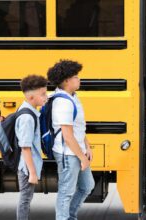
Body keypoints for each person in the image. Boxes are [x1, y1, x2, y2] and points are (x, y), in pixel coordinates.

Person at [47, 60, 95, 220]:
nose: (79, 79)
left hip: (78, 150)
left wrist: (87, 147)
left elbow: (79, 127)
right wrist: (82, 158)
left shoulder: (73, 97)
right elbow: (67, 135)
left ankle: (70, 216)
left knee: (87, 186)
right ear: (66, 80)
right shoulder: (63, 103)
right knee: (66, 192)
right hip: (68, 153)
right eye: (76, 76)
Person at [16, 74, 48, 220]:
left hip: (27, 165)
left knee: (26, 199)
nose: (45, 97)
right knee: (25, 200)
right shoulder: (27, 118)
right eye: (42, 94)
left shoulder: (29, 110)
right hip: (27, 167)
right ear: (31, 98)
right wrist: (33, 172)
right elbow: (25, 147)